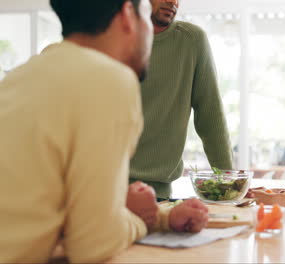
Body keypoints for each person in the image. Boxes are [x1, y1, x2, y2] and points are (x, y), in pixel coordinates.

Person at [0, 0, 207, 263]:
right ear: (127, 15)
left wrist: (163, 218)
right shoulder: (110, 78)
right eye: (145, 13)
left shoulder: (19, 77)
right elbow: (92, 245)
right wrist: (143, 221)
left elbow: (55, 213)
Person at [129, 0, 233, 198]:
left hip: (160, 194)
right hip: (105, 187)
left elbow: (210, 117)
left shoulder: (191, 40)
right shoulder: (111, 39)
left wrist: (230, 185)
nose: (173, 2)